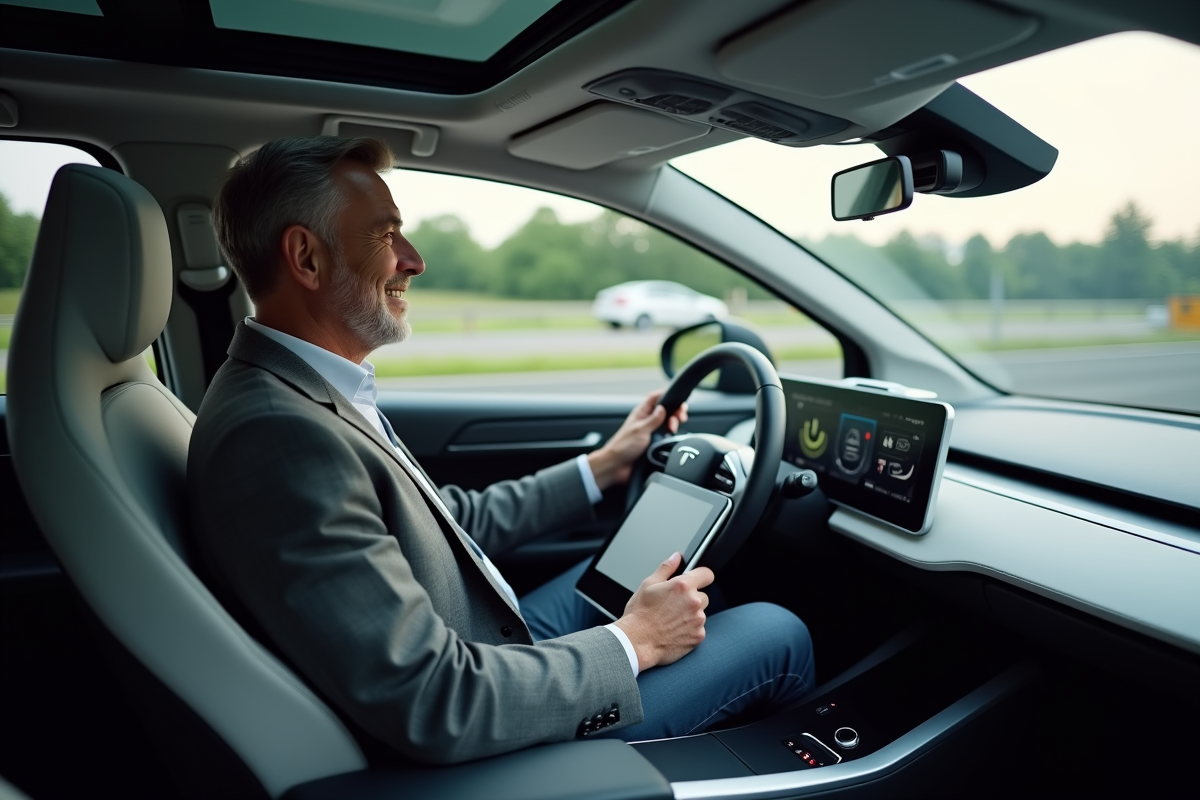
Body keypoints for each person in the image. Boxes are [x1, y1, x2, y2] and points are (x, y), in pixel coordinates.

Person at [189, 136, 815, 765]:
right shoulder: (279, 435)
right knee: (776, 632)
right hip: (489, 724)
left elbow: (445, 522)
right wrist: (636, 642)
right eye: (385, 236)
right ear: (306, 256)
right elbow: (433, 702)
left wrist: (605, 464)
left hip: (482, 645)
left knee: (635, 569)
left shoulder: (308, 389)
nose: (414, 260)